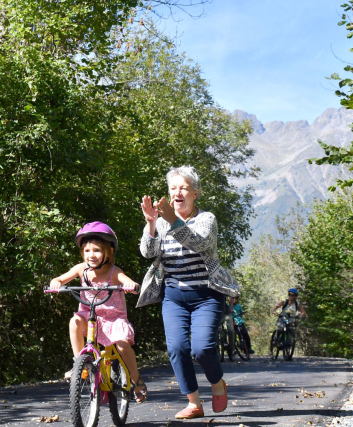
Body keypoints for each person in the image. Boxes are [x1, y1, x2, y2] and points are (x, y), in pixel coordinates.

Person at [138, 165, 239, 419]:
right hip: (174, 296)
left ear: (196, 193)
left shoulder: (207, 219)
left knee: (203, 349)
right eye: (173, 188)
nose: (177, 192)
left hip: (207, 295)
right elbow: (147, 253)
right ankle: (194, 402)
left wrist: (172, 220)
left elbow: (199, 242)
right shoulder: (160, 223)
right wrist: (151, 224)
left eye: (183, 188)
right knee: (177, 348)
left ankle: (217, 384)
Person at [50, 221, 148, 402]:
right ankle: (80, 364)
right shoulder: (81, 270)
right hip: (90, 316)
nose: (91, 255)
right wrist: (56, 282)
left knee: (122, 345)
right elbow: (62, 278)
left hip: (113, 319)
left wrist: (129, 285)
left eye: (97, 250)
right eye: (87, 251)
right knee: (74, 322)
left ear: (108, 252)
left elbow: (128, 281)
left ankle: (136, 379)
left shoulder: (114, 271)